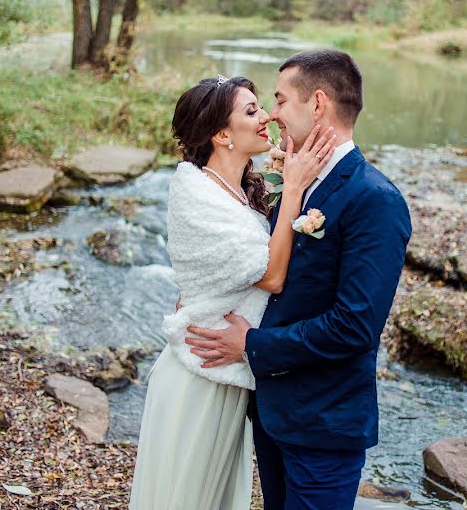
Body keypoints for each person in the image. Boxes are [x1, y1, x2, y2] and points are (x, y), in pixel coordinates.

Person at [186, 50, 412, 510]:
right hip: (272, 411)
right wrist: (200, 298)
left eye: (281, 100)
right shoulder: (295, 179)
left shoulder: (375, 199)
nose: (272, 114)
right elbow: (260, 267)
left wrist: (252, 346)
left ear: (318, 104)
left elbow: (355, 326)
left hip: (323, 424)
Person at [129, 74, 336, 510]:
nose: (266, 117)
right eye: (251, 111)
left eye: (261, 106)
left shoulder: (236, 190)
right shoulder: (197, 194)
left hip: (225, 368)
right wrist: (295, 188)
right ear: (222, 135)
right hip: (200, 377)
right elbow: (272, 276)